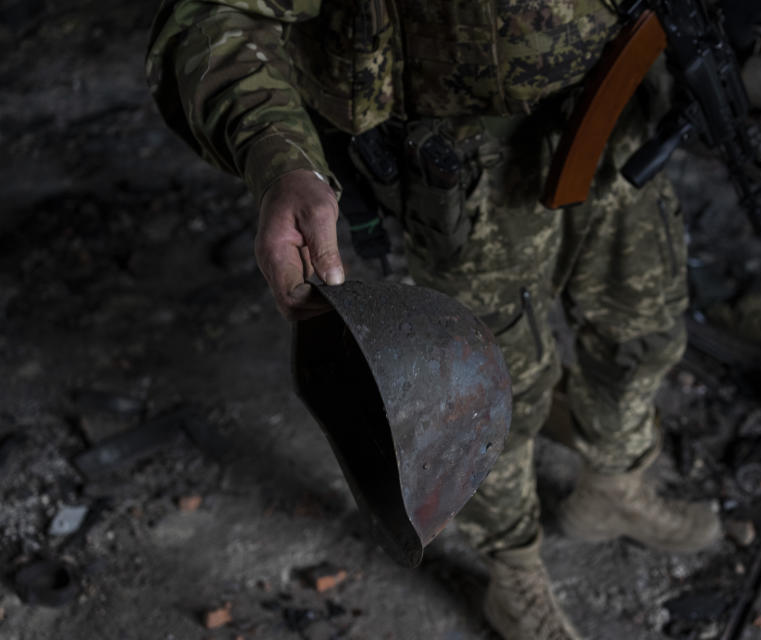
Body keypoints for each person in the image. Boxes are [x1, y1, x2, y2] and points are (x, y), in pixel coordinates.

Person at [146, 2, 721, 637]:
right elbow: (215, 15)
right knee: (492, 402)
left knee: (642, 325)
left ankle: (615, 486)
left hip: (613, 108)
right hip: (465, 161)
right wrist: (283, 161)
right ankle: (515, 571)